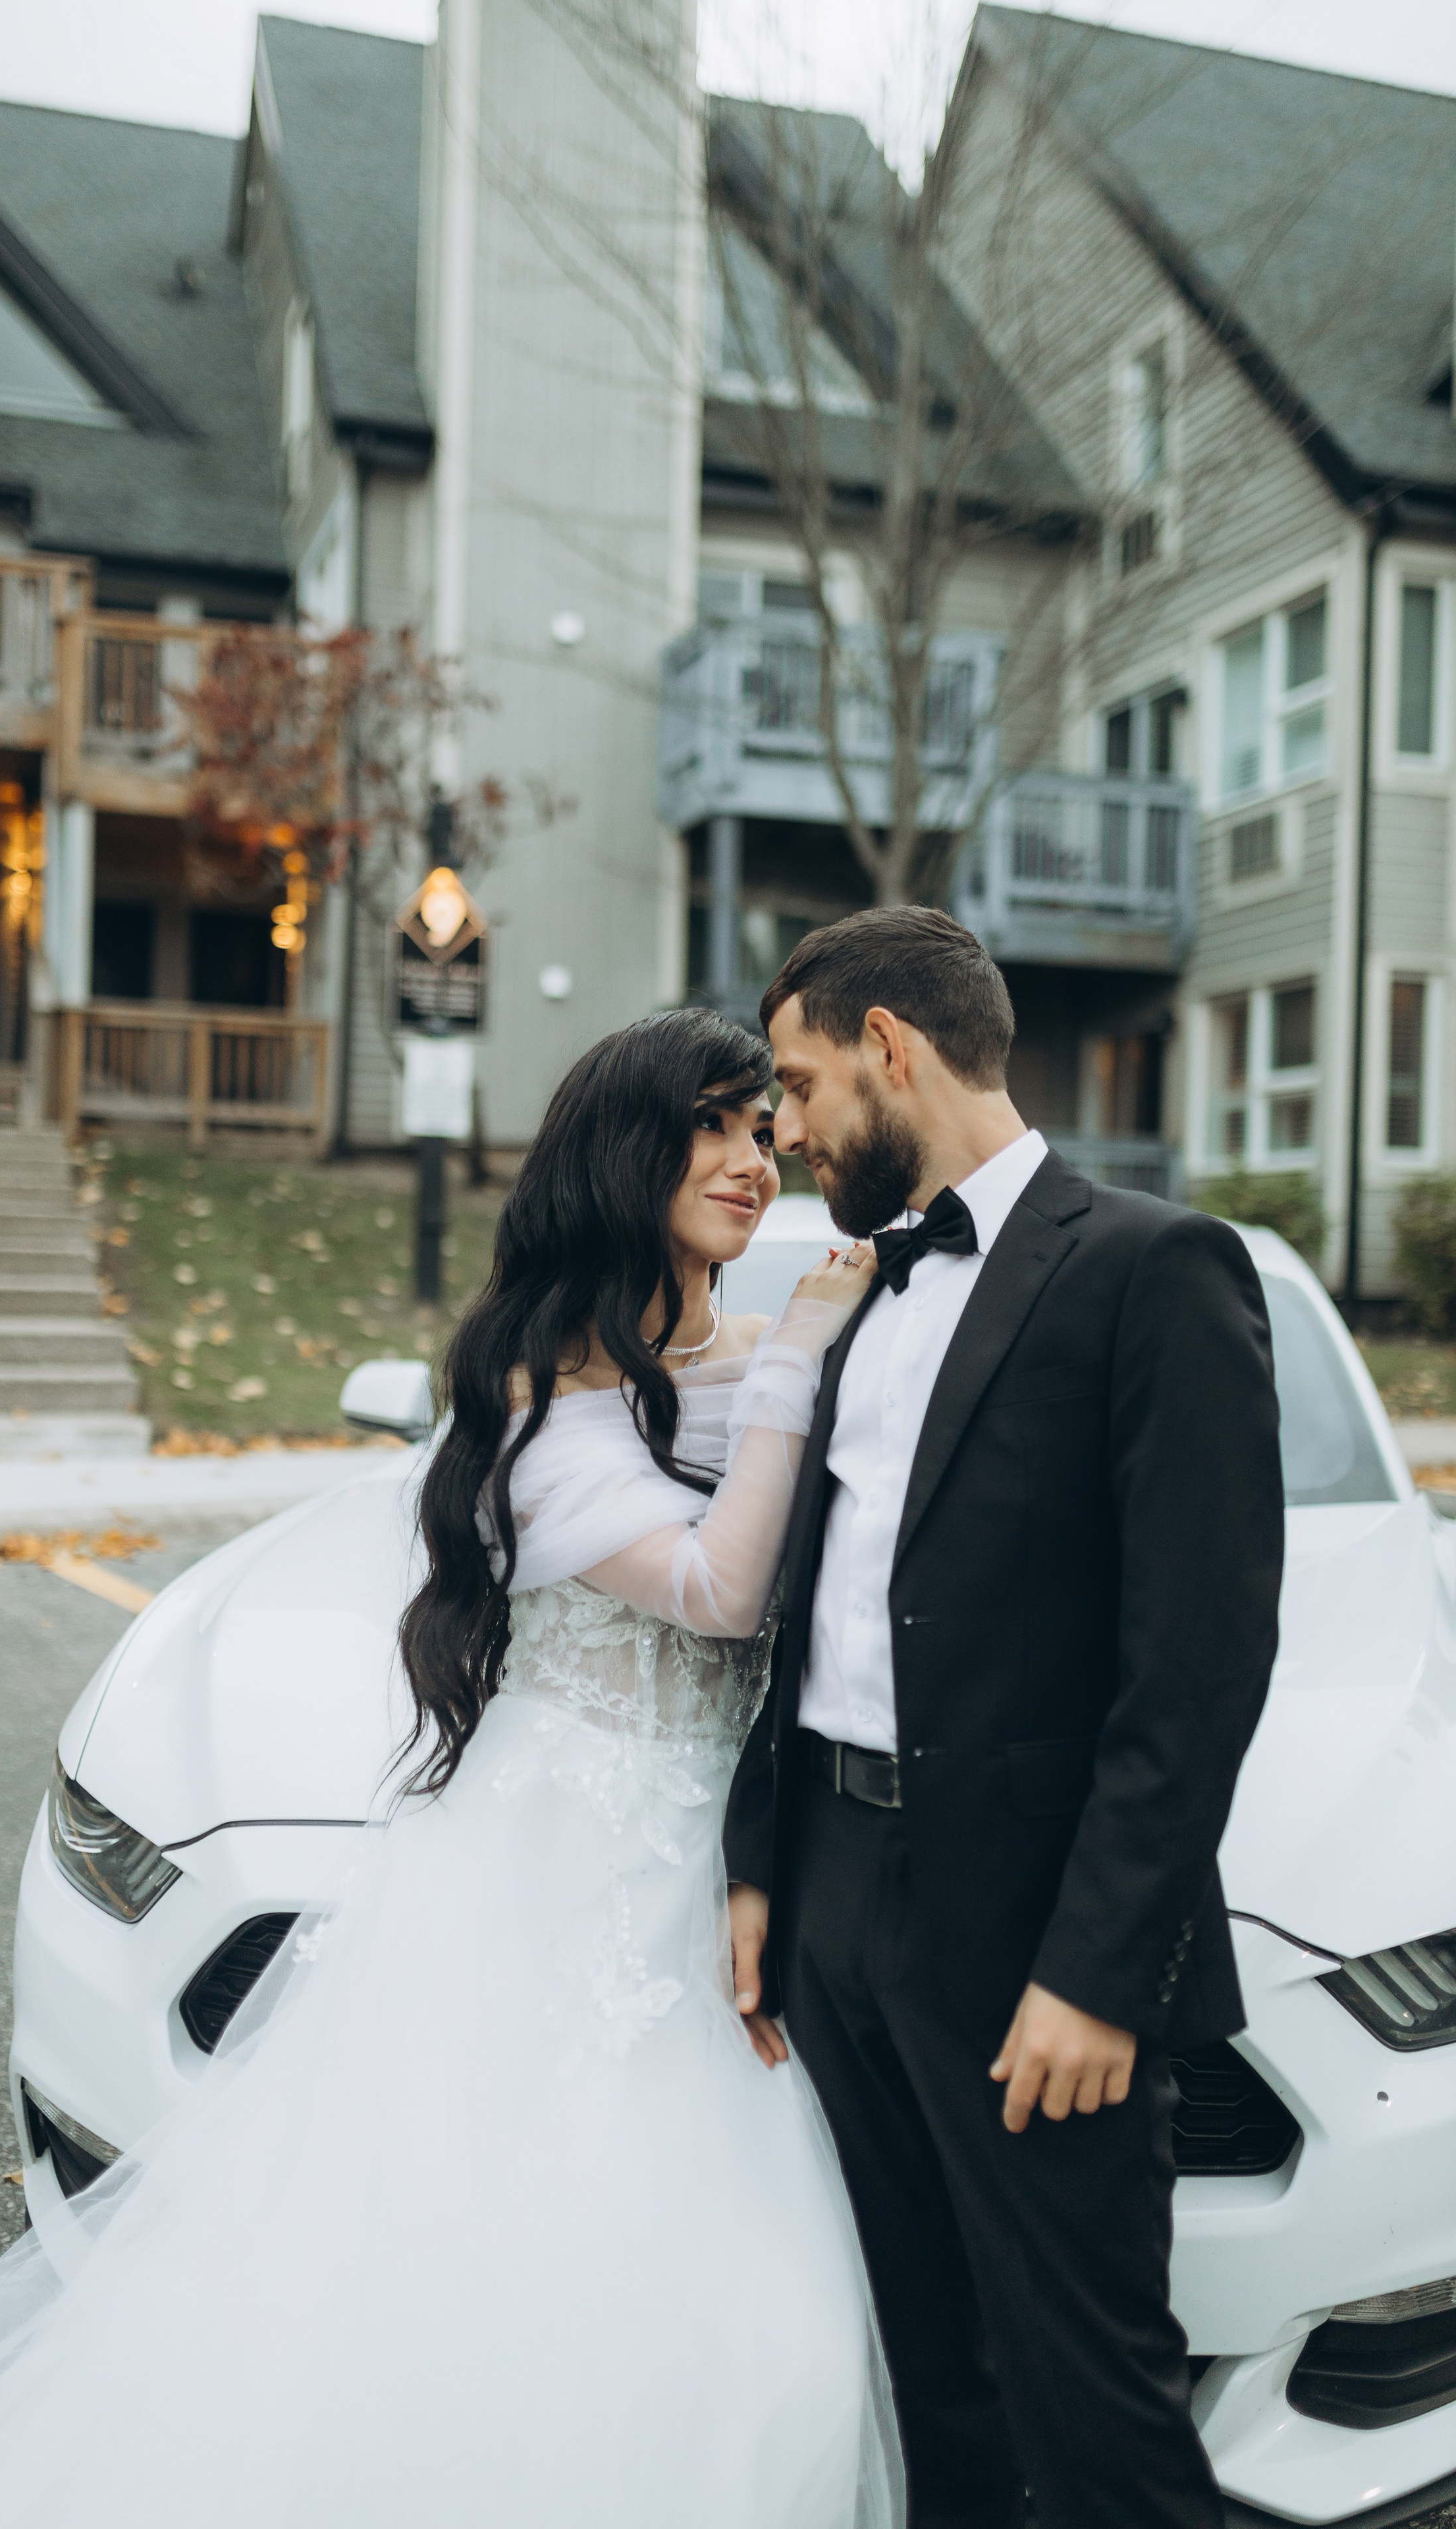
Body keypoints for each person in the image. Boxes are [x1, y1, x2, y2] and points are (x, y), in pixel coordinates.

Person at [0, 1006, 902, 2529]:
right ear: (622, 1150)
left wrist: (801, 1359)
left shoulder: (750, 1358)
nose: (751, 1162)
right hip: (571, 1873)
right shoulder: (535, 1401)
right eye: (712, 1125)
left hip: (733, 1854)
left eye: (762, 1130)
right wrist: (799, 1367)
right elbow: (720, 1590)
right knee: (537, 2255)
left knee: (745, 2309)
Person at [724, 906, 1284, 2529]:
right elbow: (805, 1615)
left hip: (1029, 1943)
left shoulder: (1150, 1271)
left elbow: (1192, 1665)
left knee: (1089, 2393)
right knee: (916, 2383)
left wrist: (1098, 1974)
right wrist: (763, 1865)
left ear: (889, 1048)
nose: (789, 1127)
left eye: (802, 1081)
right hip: (832, 1910)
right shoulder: (852, 1287)